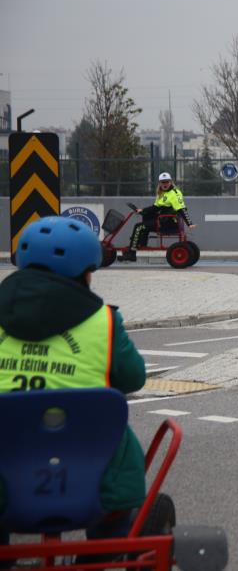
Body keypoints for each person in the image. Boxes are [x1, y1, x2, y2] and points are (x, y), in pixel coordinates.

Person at [0, 216, 148, 550]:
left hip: (4, 480)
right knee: (118, 440)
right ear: (86, 272)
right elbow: (133, 377)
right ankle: (108, 549)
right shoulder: (105, 321)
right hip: (93, 477)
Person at [123, 172, 195, 261]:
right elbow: (155, 207)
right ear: (160, 183)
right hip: (164, 220)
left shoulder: (174, 194)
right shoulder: (162, 193)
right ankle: (142, 243)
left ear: (171, 182)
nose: (165, 184)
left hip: (168, 223)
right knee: (145, 219)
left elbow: (182, 209)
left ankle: (131, 252)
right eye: (162, 182)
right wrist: (142, 211)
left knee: (138, 227)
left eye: (167, 182)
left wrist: (189, 223)